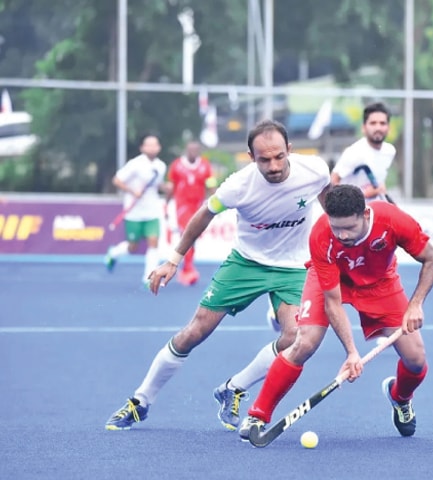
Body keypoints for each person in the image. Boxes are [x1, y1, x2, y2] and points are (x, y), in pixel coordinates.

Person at [104, 120, 331, 432]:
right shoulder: (238, 186)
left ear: (290, 150)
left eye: (279, 156)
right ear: (251, 157)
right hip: (246, 263)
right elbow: (204, 214)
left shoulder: (315, 169)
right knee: (195, 332)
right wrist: (173, 259)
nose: (274, 165)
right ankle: (141, 400)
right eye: (264, 159)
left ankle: (234, 387)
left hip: (293, 266)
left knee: (296, 337)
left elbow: (329, 201)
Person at [241, 184, 433, 443]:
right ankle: (258, 415)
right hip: (333, 282)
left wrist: (416, 304)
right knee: (304, 343)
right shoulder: (322, 235)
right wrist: (351, 352)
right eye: (337, 228)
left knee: (416, 359)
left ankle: (400, 397)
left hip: (380, 282)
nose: (343, 235)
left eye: (349, 227)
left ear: (365, 216)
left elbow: (432, 259)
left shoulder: (392, 220)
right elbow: (333, 302)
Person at [104, 134, 169, 286]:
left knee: (154, 243)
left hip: (152, 211)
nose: (152, 147)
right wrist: (133, 191)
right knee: (133, 246)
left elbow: (158, 184)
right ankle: (113, 254)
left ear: (159, 148)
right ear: (142, 148)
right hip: (134, 212)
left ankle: (148, 277)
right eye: (149, 145)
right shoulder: (135, 164)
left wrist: (165, 187)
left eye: (155, 144)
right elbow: (117, 180)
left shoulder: (161, 166)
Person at [166, 140, 216, 286]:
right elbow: (171, 186)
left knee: (193, 237)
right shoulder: (177, 165)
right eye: (190, 150)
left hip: (198, 206)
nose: (193, 152)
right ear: (186, 150)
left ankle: (186, 267)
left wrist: (217, 201)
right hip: (182, 207)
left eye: (196, 150)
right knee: (187, 234)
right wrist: (166, 203)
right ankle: (188, 270)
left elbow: (211, 184)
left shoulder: (205, 165)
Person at [330, 102, 395, 203]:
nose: (378, 128)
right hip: (353, 214)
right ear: (364, 128)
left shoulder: (390, 151)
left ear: (388, 128)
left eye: (382, 123)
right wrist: (364, 194)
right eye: (373, 123)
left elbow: (380, 180)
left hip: (375, 210)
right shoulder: (354, 152)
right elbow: (333, 182)